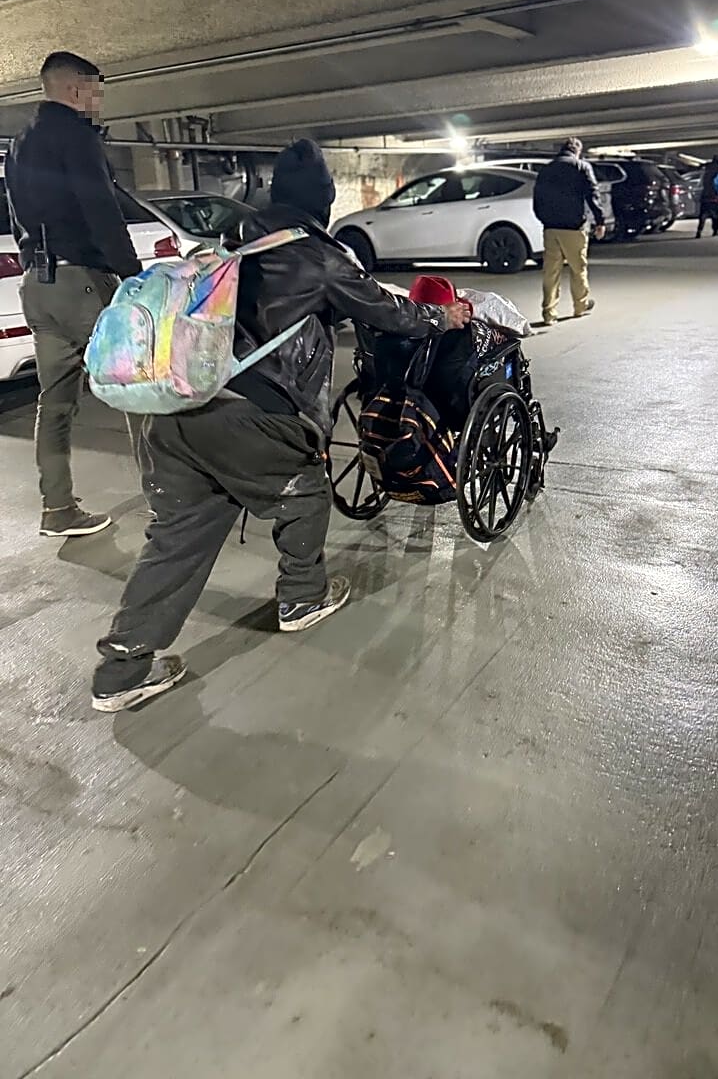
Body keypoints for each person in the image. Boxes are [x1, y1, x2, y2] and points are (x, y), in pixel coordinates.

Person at [90, 139, 472, 713]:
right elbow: (388, 311)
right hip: (247, 414)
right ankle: (302, 596)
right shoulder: (319, 255)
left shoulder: (234, 243)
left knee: (176, 540)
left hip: (178, 409)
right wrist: (442, 315)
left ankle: (121, 669)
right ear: (324, 199)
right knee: (304, 487)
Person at [5, 51, 141, 538]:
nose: (99, 99)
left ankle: (57, 508)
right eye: (96, 89)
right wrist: (132, 274)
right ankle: (169, 502)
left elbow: (18, 219)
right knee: (137, 390)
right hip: (82, 282)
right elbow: (100, 209)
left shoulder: (18, 144)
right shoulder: (77, 137)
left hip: (38, 286)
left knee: (55, 401)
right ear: (76, 88)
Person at [532, 138, 606, 326]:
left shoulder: (546, 169)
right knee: (578, 268)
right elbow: (593, 194)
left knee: (551, 272)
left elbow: (537, 197)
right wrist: (600, 221)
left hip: (551, 227)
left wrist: (544, 218)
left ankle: (549, 313)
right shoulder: (581, 167)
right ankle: (580, 306)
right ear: (577, 151)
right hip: (574, 227)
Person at [696, 156, 718, 239]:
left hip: (705, 195)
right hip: (716, 196)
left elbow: (701, 182)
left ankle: (699, 231)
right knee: (716, 214)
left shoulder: (707, 169)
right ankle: (715, 230)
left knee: (703, 214)